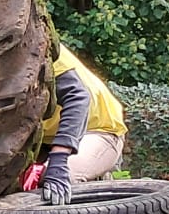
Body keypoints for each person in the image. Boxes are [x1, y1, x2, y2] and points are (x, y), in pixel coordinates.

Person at [31, 46, 126, 205]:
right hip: (44, 141)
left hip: (99, 130)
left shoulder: (40, 45)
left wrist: (59, 162)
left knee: (56, 181)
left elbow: (77, 98)